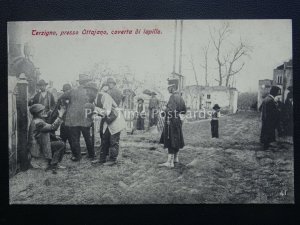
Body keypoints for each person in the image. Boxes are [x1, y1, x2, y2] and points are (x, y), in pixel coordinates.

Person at [84, 82, 126, 166]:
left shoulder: (104, 96)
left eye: (88, 91)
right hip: (108, 121)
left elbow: (107, 112)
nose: (87, 93)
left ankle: (112, 159)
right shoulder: (94, 99)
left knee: (113, 141)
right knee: (104, 139)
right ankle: (102, 159)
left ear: (93, 91)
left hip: (115, 120)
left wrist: (94, 108)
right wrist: (92, 113)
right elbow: (98, 112)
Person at [61, 74, 95, 161]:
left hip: (74, 119)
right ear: (86, 82)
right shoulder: (90, 92)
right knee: (88, 137)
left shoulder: (72, 91)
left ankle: (77, 156)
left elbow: (61, 97)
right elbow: (93, 104)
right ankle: (91, 155)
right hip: (85, 118)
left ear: (79, 82)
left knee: (75, 138)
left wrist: (67, 105)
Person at [27, 104, 66, 174]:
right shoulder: (38, 122)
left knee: (57, 143)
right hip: (38, 148)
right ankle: (53, 164)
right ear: (36, 113)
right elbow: (53, 127)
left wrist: (54, 137)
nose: (44, 112)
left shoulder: (36, 120)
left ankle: (52, 163)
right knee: (61, 144)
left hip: (39, 145)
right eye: (41, 111)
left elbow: (43, 132)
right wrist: (60, 115)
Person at [159, 84, 186, 168]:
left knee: (170, 139)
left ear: (173, 88)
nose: (168, 89)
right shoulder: (180, 97)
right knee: (176, 139)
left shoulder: (172, 97)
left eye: (169, 88)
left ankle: (170, 163)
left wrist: (164, 109)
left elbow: (170, 110)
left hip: (170, 121)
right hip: (177, 121)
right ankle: (175, 158)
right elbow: (184, 110)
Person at [260, 86, 281, 150]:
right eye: (278, 92)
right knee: (268, 132)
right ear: (274, 92)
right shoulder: (271, 100)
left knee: (266, 131)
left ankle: (266, 144)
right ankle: (266, 146)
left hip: (265, 119)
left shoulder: (266, 99)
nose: (278, 94)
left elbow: (260, 108)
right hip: (269, 119)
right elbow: (273, 112)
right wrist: (277, 108)